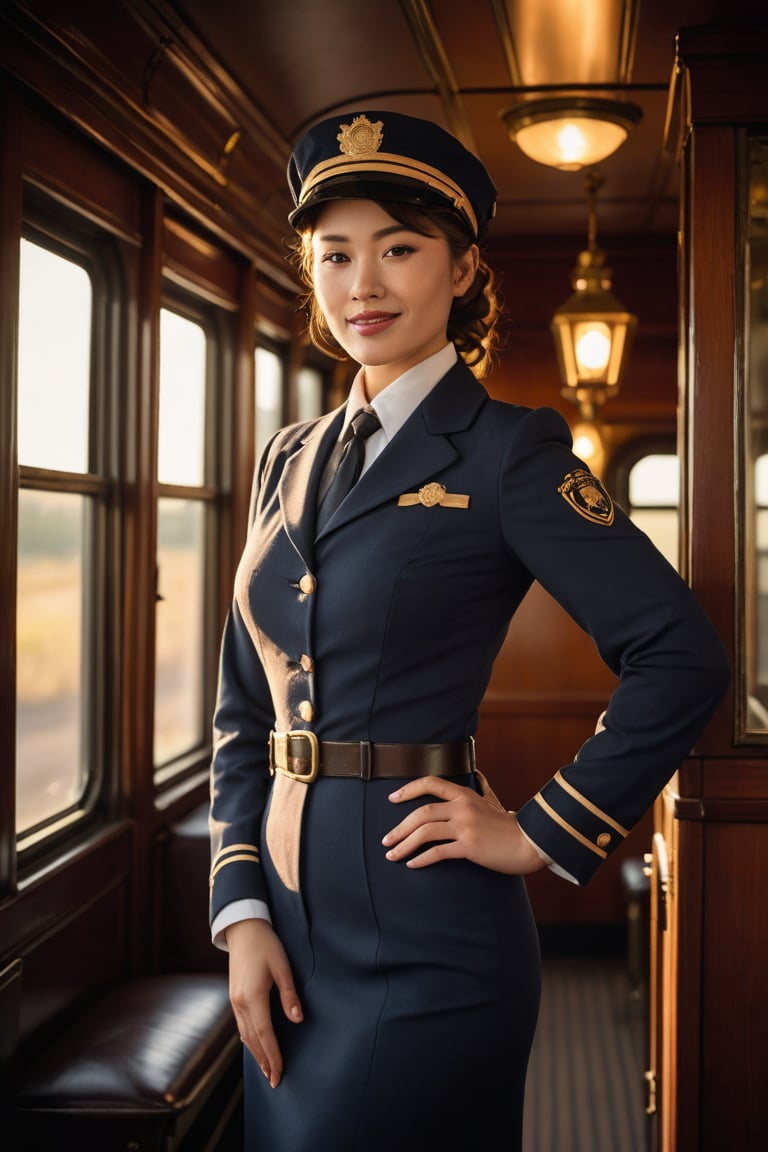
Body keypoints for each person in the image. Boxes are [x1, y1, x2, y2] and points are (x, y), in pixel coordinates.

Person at [208, 109, 729, 1152]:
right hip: (288, 925)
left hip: (428, 932)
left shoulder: (508, 451)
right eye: (336, 254)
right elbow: (241, 705)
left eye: (399, 249)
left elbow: (682, 653)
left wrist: (538, 829)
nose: (364, 284)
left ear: (461, 270)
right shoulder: (288, 457)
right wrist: (242, 914)